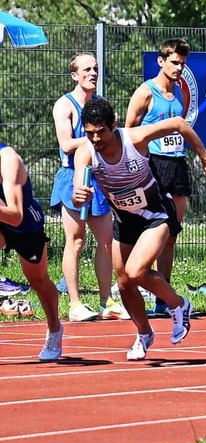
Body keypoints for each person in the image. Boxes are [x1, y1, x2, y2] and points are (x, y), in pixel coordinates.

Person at [72, 98, 206, 360]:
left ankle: (178, 304)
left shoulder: (135, 138)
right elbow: (77, 186)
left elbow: (177, 123)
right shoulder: (86, 152)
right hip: (124, 221)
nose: (95, 139)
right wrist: (78, 194)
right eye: (89, 133)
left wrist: (205, 156)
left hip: (156, 214)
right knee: (124, 283)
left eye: (100, 132)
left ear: (113, 126)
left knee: (136, 271)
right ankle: (144, 333)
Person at [51, 52, 125, 322]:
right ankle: (74, 304)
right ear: (75, 75)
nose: (93, 73)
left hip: (99, 177)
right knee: (76, 240)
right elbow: (66, 144)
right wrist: (95, 139)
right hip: (73, 175)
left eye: (95, 68)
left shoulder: (100, 105)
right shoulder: (64, 105)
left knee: (107, 241)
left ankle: (107, 301)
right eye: (86, 69)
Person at [125, 38, 191, 316]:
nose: (178, 68)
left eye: (182, 64)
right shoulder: (145, 92)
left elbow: (181, 127)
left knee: (171, 234)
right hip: (152, 166)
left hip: (177, 165)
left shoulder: (181, 92)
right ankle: (145, 285)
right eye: (174, 62)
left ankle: (164, 296)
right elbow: (129, 131)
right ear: (161, 61)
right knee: (149, 231)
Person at [0, 143, 62, 361]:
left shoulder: (8, 160)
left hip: (24, 225)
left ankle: (54, 329)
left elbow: (15, 216)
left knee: (38, 280)